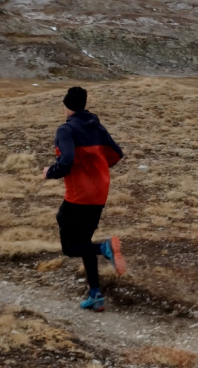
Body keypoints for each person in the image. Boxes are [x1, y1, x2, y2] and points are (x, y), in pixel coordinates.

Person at [42, 86, 126, 312]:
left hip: (79, 195)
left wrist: (50, 172)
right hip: (99, 194)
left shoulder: (66, 130)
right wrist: (96, 168)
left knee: (70, 247)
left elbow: (67, 160)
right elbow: (116, 154)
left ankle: (106, 248)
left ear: (66, 106)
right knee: (84, 243)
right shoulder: (95, 125)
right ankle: (96, 295)